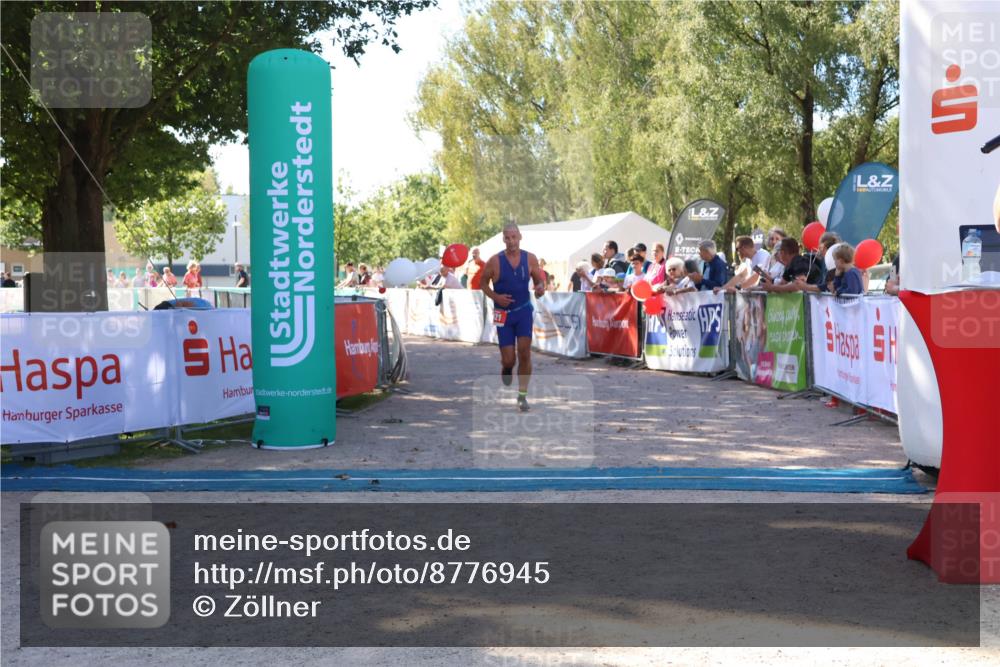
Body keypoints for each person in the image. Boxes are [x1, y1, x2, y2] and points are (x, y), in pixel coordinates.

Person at [480, 222, 546, 412]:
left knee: (525, 353)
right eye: (507, 238)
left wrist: (540, 288)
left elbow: (539, 281)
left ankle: (522, 396)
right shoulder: (494, 261)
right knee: (509, 359)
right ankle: (507, 367)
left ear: (520, 237)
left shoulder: (530, 258)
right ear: (503, 239)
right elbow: (483, 284)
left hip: (524, 311)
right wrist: (496, 297)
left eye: (514, 237)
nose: (511, 241)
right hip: (503, 315)